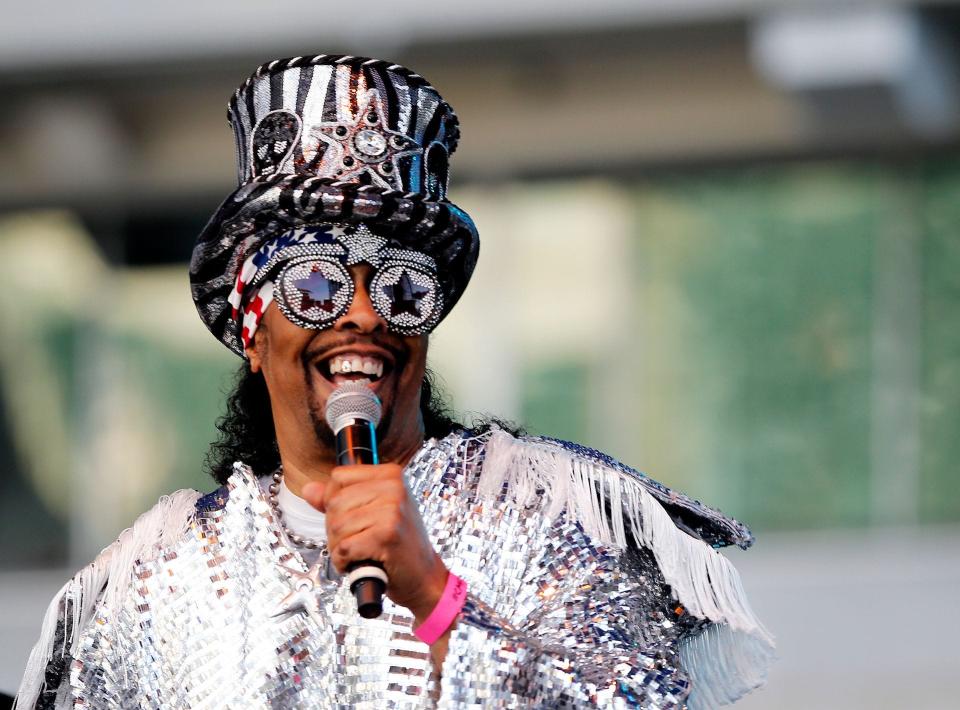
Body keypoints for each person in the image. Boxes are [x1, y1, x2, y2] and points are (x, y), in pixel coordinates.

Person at [16, 54, 774, 709]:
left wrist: (435, 596)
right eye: (314, 284)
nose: (363, 318)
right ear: (255, 332)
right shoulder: (159, 573)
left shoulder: (554, 511)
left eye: (402, 288)